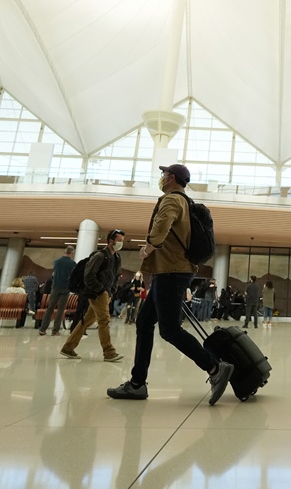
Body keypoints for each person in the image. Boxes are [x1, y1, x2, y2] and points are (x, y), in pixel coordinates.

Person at [107, 164, 234, 405]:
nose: (161, 178)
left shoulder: (171, 200)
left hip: (171, 271)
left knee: (170, 329)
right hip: (171, 270)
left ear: (171, 177)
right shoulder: (186, 202)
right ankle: (137, 384)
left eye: (164, 174)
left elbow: (159, 231)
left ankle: (215, 368)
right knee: (144, 323)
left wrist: (147, 249)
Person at [61, 230, 125, 362]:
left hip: (106, 293)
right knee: (104, 320)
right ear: (110, 241)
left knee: (87, 321)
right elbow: (88, 275)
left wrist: (112, 290)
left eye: (122, 241)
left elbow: (117, 275)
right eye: (119, 240)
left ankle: (68, 347)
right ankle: (109, 351)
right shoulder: (100, 256)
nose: (121, 243)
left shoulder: (117, 258)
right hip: (97, 293)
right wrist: (101, 290)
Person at [41, 246, 77, 336]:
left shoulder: (56, 262)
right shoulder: (73, 264)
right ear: (72, 253)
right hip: (65, 288)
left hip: (55, 287)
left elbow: (54, 273)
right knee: (61, 309)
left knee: (50, 308)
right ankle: (55, 330)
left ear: (64, 252)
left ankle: (43, 329)